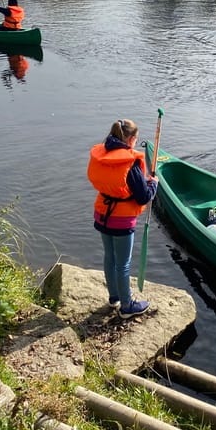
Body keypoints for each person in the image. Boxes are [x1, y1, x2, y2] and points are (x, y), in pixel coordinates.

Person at [87, 119, 158, 320]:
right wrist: (153, 184)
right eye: (135, 139)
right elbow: (143, 196)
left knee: (109, 257)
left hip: (102, 214)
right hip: (121, 220)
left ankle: (114, 298)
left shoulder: (103, 153)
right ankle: (127, 306)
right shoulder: (130, 161)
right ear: (130, 139)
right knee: (123, 263)